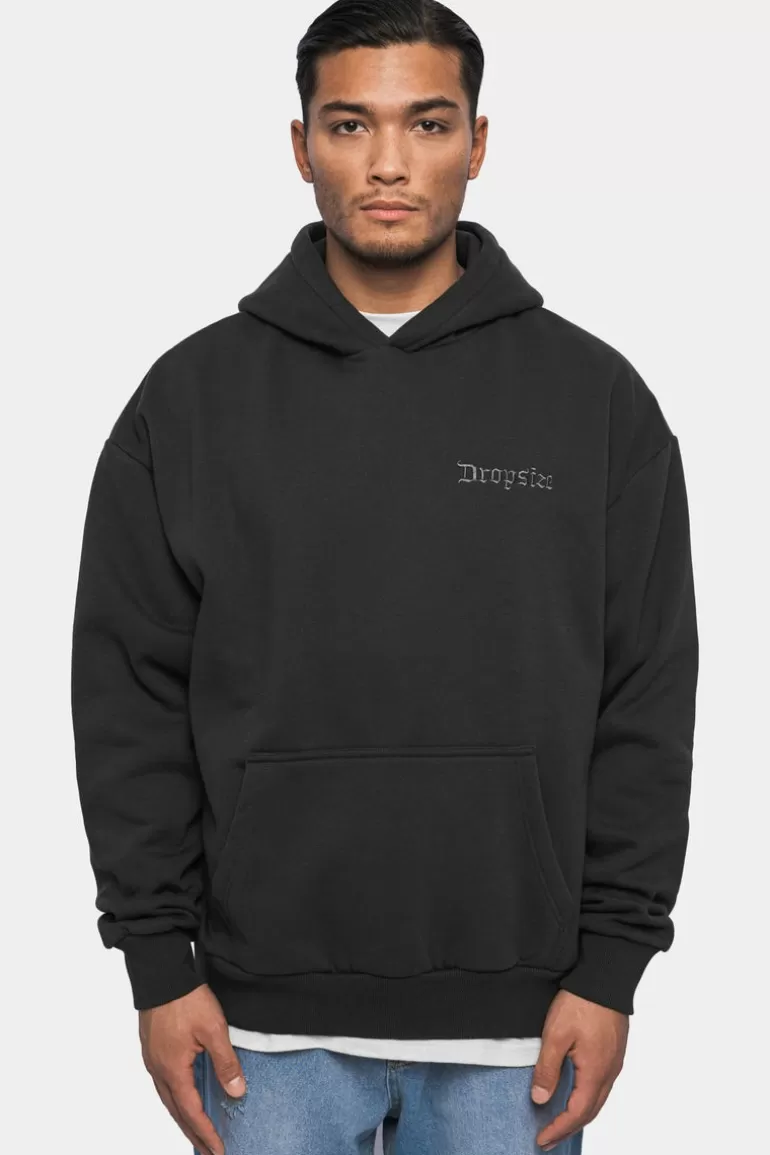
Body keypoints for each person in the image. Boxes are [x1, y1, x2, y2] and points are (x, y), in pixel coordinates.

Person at [70, 1, 699, 1152]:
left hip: (522, 1027)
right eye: (351, 125)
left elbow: (644, 697)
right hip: (257, 1027)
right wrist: (157, 965)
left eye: (428, 123)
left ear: (478, 142)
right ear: (301, 145)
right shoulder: (191, 401)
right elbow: (128, 698)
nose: (390, 162)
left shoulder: (592, 400)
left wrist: (612, 967)